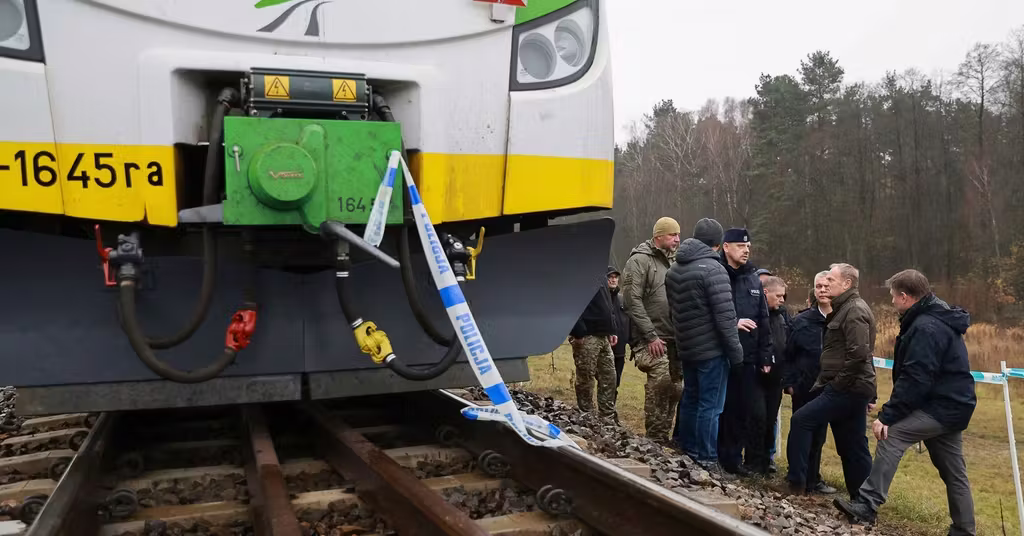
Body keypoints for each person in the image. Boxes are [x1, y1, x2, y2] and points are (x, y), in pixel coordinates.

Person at [834, 270, 976, 535]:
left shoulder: (926, 326)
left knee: (891, 434)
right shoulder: (932, 317)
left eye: (892, 296)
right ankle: (965, 530)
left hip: (942, 406)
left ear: (904, 296)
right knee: (954, 472)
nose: (891, 302)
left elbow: (916, 377)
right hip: (952, 404)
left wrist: (888, 415)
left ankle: (867, 504)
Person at [785, 263, 875, 497]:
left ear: (846, 284)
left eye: (831, 281)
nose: (826, 285)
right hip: (849, 387)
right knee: (852, 445)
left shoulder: (853, 310)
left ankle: (797, 484)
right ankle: (862, 500)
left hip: (846, 388)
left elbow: (859, 354)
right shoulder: (843, 308)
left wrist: (836, 384)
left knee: (802, 420)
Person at [666, 218, 743, 476]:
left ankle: (687, 449)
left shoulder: (674, 270)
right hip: (711, 350)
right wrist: (736, 354)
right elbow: (725, 318)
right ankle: (707, 458)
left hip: (687, 347)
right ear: (718, 244)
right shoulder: (714, 270)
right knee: (711, 407)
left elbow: (673, 312)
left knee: (691, 399)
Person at [622, 217, 684, 442]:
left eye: (678, 235)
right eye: (672, 235)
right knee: (660, 383)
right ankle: (655, 439)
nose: (677, 239)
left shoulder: (677, 262)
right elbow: (632, 300)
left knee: (676, 389)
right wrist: (650, 336)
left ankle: (664, 438)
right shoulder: (639, 261)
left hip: (674, 337)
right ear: (659, 236)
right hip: (651, 338)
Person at [718, 228, 773, 476]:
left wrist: (765, 355)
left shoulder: (752, 277)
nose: (746, 250)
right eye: (741, 246)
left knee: (742, 410)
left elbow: (763, 318)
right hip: (720, 353)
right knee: (720, 408)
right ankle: (713, 455)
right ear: (726, 247)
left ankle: (733, 460)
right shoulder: (717, 273)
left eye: (748, 247)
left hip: (748, 356)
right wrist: (733, 324)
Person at [782, 272, 838, 495]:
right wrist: (789, 382)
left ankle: (813, 480)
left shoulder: (843, 319)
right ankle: (796, 479)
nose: (822, 290)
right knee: (800, 433)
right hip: (804, 386)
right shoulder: (801, 321)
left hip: (829, 389)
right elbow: (788, 354)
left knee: (819, 437)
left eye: (826, 286)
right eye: (818, 286)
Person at [568, 278, 619, 420]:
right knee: (586, 377)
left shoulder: (600, 272)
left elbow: (608, 304)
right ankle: (587, 416)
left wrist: (612, 329)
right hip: (587, 335)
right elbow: (570, 301)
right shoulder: (578, 271)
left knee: (609, 376)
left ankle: (607, 417)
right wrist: (578, 331)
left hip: (604, 335)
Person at [760, 276, 788, 475]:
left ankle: (766, 459)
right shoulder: (756, 316)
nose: (782, 300)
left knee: (771, 420)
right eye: (778, 296)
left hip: (777, 378)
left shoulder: (782, 316)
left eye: (783, 296)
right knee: (757, 417)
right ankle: (753, 458)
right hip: (757, 376)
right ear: (765, 293)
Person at [607, 265, 631, 393]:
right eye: (610, 277)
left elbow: (629, 321)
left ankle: (611, 407)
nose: (613, 280)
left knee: (616, 381)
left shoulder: (622, 299)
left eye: (615, 277)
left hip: (620, 349)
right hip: (603, 348)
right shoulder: (600, 298)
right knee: (605, 381)